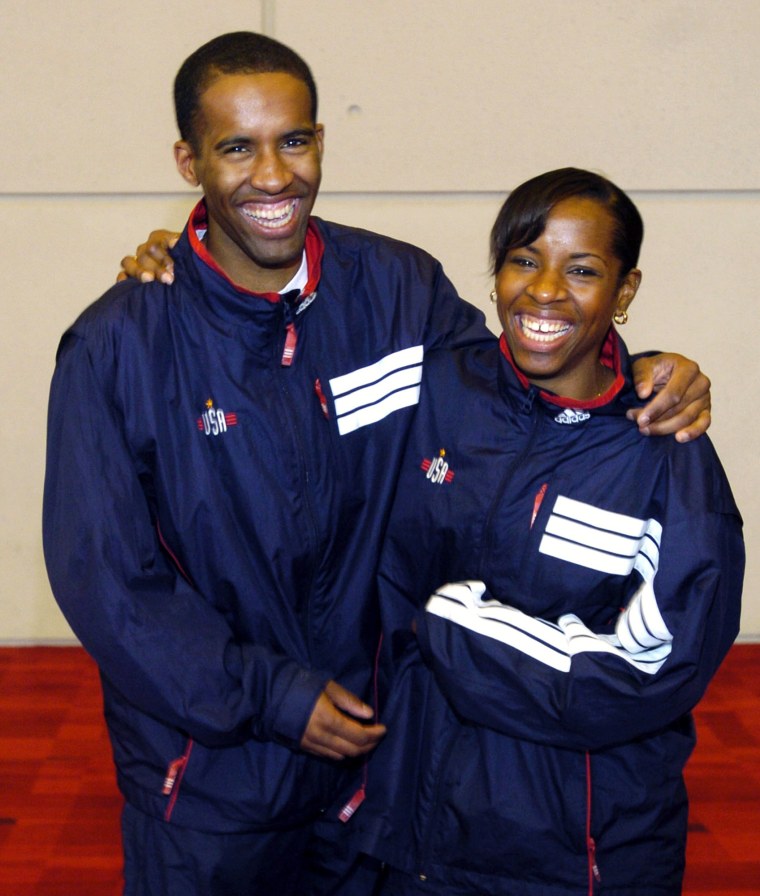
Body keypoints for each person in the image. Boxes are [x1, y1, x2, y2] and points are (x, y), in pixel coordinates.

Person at [44, 30, 710, 896]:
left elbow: (521, 398)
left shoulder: (398, 290)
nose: (274, 175)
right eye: (236, 147)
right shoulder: (120, 344)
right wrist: (276, 699)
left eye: (295, 140)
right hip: (212, 785)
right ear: (188, 160)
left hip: (378, 771)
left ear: (320, 139)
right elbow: (109, 583)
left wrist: (647, 375)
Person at [353, 168, 744, 895]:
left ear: (624, 293)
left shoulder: (663, 447)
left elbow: (655, 668)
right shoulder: (434, 392)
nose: (544, 290)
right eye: (524, 260)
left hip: (581, 855)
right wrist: (177, 272)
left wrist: (449, 625)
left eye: (584, 270)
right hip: (419, 831)